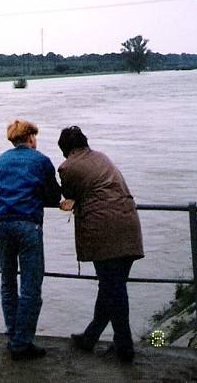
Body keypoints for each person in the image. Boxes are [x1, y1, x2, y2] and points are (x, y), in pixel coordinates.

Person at [57, 126, 144, 363]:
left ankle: (124, 347)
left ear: (64, 149)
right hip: (129, 222)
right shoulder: (102, 157)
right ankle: (90, 337)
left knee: (113, 289)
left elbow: (69, 193)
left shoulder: (67, 167)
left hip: (104, 229)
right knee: (111, 287)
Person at [0, 119, 61, 360]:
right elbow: (53, 195)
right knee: (31, 286)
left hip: (2, 223)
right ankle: (22, 343)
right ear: (30, 137)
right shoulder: (40, 160)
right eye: (35, 136)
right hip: (28, 224)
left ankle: (14, 335)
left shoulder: (0, 160)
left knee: (7, 283)